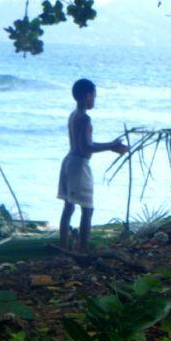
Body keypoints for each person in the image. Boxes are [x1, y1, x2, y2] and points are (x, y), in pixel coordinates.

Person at [58, 78, 128, 250]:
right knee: (87, 209)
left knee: (69, 207)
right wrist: (112, 146)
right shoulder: (84, 119)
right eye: (93, 96)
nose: (94, 100)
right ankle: (82, 248)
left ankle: (63, 246)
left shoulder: (74, 115)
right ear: (87, 96)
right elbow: (87, 146)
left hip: (69, 161)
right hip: (79, 164)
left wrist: (111, 146)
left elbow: (84, 144)